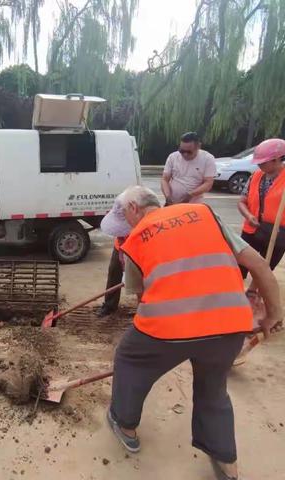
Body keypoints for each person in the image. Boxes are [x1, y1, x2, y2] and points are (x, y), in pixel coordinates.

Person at [106, 186, 282, 480]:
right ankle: (227, 466)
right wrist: (274, 314)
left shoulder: (135, 240)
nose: (125, 224)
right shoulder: (204, 213)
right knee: (213, 390)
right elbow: (259, 265)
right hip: (229, 325)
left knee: (129, 361)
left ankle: (124, 424)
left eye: (124, 215)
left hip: (167, 329)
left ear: (135, 208)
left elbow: (142, 299)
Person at [238, 138, 285, 294]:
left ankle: (252, 291)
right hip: (252, 228)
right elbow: (241, 202)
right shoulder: (256, 176)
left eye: (263, 162)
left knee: (265, 266)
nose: (259, 165)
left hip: (277, 233)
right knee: (240, 263)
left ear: (277, 159)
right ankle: (234, 289)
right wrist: (249, 215)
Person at [97, 197, 132, 316]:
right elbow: (120, 235)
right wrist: (122, 256)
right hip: (121, 246)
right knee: (114, 270)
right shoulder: (121, 209)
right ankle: (109, 305)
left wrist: (129, 271)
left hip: (138, 246)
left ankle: (144, 310)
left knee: (141, 278)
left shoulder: (142, 220)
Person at [161, 131, 216, 205]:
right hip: (171, 202)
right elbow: (165, 179)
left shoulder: (208, 159)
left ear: (198, 147)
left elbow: (208, 183)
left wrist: (190, 195)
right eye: (182, 151)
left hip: (193, 203)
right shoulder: (173, 157)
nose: (185, 154)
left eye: (189, 152)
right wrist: (167, 196)